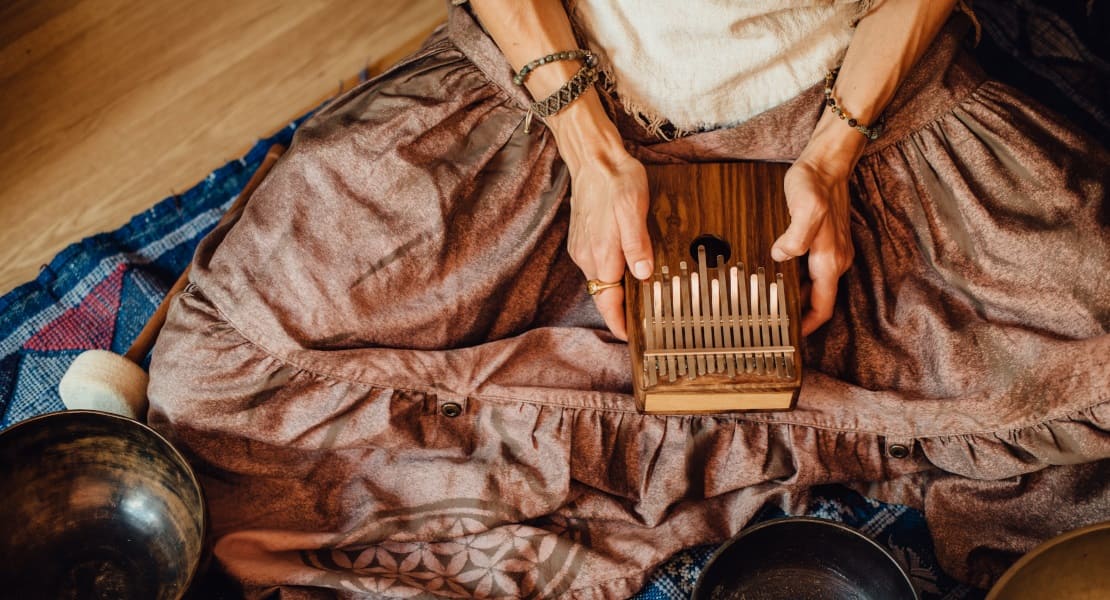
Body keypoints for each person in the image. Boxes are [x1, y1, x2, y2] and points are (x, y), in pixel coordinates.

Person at [147, 0, 1109, 597]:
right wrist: (591, 152)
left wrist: (832, 152)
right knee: (225, 366)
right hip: (560, 98)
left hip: (864, 109)